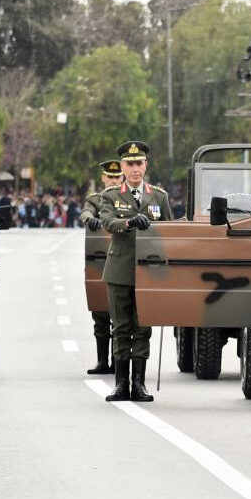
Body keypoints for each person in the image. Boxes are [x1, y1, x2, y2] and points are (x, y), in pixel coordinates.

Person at [98, 141, 173, 402]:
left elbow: (169, 232)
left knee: (142, 328)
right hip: (120, 271)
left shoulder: (159, 197)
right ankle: (121, 384)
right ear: (122, 167)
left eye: (138, 163)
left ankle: (139, 384)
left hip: (150, 272)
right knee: (120, 327)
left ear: (146, 165)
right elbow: (107, 221)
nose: (134, 169)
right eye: (129, 164)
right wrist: (129, 221)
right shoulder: (110, 195)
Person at [80, 160, 123, 375]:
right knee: (100, 314)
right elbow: (86, 212)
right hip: (99, 259)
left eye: (117, 177)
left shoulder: (128, 200)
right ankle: (102, 361)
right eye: (110, 177)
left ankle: (119, 361)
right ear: (104, 178)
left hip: (123, 259)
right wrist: (90, 220)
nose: (114, 180)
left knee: (121, 316)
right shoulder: (95, 200)